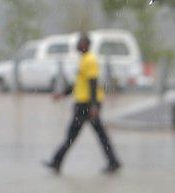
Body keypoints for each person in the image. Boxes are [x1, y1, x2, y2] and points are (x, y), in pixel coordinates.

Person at [44, 33, 121, 174]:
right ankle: (113, 161)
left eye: (80, 43)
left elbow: (93, 83)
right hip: (84, 103)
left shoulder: (90, 60)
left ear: (86, 45)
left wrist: (93, 106)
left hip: (87, 105)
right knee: (98, 135)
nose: (77, 45)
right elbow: (78, 84)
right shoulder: (84, 60)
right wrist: (62, 94)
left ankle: (56, 161)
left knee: (73, 135)